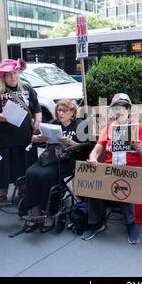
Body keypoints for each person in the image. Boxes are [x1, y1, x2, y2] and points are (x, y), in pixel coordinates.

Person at [85, 93, 142, 244]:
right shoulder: (108, 128)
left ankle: (130, 223)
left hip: (131, 171)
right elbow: (96, 150)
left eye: (123, 106)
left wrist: (139, 148)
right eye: (116, 107)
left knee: (123, 183)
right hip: (110, 169)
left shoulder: (138, 128)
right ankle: (96, 222)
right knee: (92, 183)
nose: (120, 110)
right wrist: (93, 158)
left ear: (128, 109)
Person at [22, 100, 86, 233]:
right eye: (59, 110)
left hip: (68, 159)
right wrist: (39, 138)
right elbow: (32, 138)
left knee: (46, 175)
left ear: (72, 112)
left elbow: (85, 148)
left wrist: (71, 142)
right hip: (50, 158)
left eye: (64, 110)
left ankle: (50, 213)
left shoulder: (79, 125)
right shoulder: (52, 124)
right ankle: (35, 210)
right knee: (31, 172)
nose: (60, 113)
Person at [0, 59, 42, 204]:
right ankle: (2, 194)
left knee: (23, 165)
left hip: (25, 136)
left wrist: (38, 121)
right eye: (9, 75)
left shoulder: (27, 88)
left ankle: (22, 191)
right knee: (4, 167)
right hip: (4, 137)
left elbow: (37, 108)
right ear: (3, 77)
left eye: (15, 73)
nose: (13, 77)